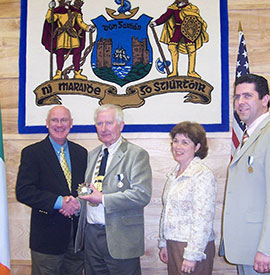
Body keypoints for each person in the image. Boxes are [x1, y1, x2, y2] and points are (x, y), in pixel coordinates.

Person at [74, 104, 152, 275]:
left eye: (109, 123)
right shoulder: (92, 155)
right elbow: (88, 192)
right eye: (99, 124)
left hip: (121, 237)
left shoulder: (136, 154)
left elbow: (142, 195)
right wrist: (76, 202)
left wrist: (102, 199)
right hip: (91, 235)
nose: (104, 128)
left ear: (121, 125)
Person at [16, 106, 87, 275]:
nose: (59, 124)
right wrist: (59, 202)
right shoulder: (32, 153)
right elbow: (24, 191)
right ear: (47, 124)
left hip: (77, 240)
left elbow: (86, 187)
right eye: (55, 120)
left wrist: (77, 203)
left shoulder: (82, 153)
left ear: (71, 124)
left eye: (64, 120)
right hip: (46, 241)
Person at [221, 73, 270, 274]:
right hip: (246, 244)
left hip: (260, 248)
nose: (240, 102)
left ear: (265, 99)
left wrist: (266, 249)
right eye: (237, 97)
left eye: (247, 96)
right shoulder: (251, 135)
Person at [158, 121, 217, 275]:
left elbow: (203, 218)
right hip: (173, 244)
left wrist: (193, 254)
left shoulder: (202, 174)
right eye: (175, 141)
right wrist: (164, 242)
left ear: (197, 147)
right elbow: (167, 211)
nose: (178, 147)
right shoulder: (174, 174)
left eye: (185, 142)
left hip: (193, 247)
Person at [150, 0, 208, 78]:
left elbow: (197, 21)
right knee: (172, 46)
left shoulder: (191, 8)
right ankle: (174, 71)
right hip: (178, 29)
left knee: (191, 49)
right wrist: (155, 23)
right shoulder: (173, 8)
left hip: (189, 30)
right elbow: (165, 17)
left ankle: (191, 72)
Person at [42, 0, 93, 80]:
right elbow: (50, 19)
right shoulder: (58, 11)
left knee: (77, 51)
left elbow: (80, 23)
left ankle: (77, 72)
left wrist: (88, 27)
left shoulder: (75, 11)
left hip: (73, 35)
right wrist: (51, 9)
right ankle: (59, 73)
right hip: (62, 35)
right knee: (60, 53)